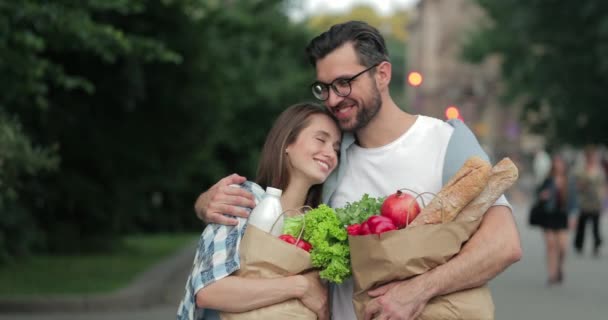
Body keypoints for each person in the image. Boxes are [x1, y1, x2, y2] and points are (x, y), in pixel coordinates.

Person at [195, 21, 522, 320]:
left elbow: (503, 245)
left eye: (344, 83)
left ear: (381, 74)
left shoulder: (448, 141)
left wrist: (418, 291)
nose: (334, 99)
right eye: (324, 88)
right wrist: (207, 202)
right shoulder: (331, 155)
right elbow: (275, 209)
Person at [177, 102, 341, 320]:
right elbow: (209, 291)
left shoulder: (319, 226)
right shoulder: (243, 199)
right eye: (321, 140)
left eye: (336, 149)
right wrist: (299, 286)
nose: (330, 153)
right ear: (287, 143)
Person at [535, 153, 578, 285]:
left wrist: (573, 216)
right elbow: (538, 194)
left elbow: (574, 201)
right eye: (555, 163)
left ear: (564, 166)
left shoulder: (569, 181)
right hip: (548, 215)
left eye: (560, 163)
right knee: (551, 245)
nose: (557, 165)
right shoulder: (548, 180)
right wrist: (542, 195)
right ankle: (552, 273)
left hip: (562, 216)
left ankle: (560, 267)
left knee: (563, 247)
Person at [574, 145, 605, 257]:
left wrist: (603, 197)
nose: (592, 159)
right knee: (581, 225)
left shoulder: (599, 169)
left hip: (596, 201)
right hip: (584, 201)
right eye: (590, 157)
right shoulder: (581, 169)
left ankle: (597, 245)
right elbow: (577, 183)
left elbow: (603, 184)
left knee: (596, 226)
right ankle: (579, 245)